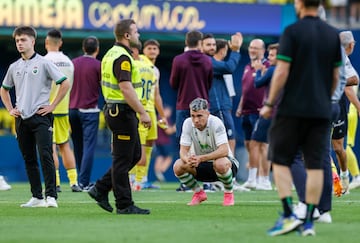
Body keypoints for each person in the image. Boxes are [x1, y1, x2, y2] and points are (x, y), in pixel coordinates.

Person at [260, 0, 342, 236]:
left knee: (280, 159)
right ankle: (308, 222)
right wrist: (324, 98)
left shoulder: (292, 31)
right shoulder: (332, 35)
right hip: (322, 109)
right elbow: (336, 76)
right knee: (316, 164)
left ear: (299, 4)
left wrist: (268, 103)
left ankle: (288, 214)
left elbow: (282, 71)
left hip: (292, 108)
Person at [0, 26, 71, 208]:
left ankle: (51, 196)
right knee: (29, 158)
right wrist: (9, 109)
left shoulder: (44, 63)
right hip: (21, 118)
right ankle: (37, 197)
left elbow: (64, 83)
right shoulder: (14, 67)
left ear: (33, 41)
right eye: (17, 41)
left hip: (41, 116)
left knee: (46, 155)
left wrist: (52, 105)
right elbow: (4, 89)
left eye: (23, 40)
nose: (20, 44)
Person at [87, 19, 151, 215]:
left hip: (118, 111)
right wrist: (142, 112)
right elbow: (125, 87)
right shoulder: (122, 57)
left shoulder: (109, 54)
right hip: (121, 112)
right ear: (127, 36)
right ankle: (124, 204)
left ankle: (100, 188)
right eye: (136, 32)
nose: (139, 35)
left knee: (135, 155)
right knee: (123, 159)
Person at [173, 98, 239, 206]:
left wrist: (201, 158)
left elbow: (224, 150)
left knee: (220, 163)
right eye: (193, 116)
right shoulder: (187, 124)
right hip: (200, 165)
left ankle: (228, 193)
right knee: (178, 166)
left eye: (199, 116)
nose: (196, 120)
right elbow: (183, 151)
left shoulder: (216, 122)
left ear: (207, 114)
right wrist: (188, 160)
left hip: (225, 165)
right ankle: (199, 193)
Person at [169, 30, 213, 192]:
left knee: (184, 144)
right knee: (206, 144)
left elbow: (173, 83)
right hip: (203, 107)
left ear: (186, 42)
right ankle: (208, 181)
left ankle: (186, 181)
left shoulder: (179, 60)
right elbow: (209, 83)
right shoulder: (207, 61)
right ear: (200, 42)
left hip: (184, 106)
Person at [44, 29, 82, 193]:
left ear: (46, 43)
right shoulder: (69, 62)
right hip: (64, 108)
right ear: (60, 43)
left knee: (50, 147)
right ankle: (74, 182)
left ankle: (56, 183)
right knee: (65, 146)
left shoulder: (44, 61)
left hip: (47, 110)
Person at [131, 39, 167, 190]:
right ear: (143, 51)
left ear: (158, 51)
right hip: (140, 109)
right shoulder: (140, 64)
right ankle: (135, 180)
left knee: (149, 143)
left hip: (151, 110)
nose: (152, 51)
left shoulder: (154, 69)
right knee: (140, 146)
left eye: (155, 49)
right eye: (149, 48)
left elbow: (156, 94)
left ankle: (142, 178)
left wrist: (162, 114)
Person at [235, 38, 268, 190]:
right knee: (249, 145)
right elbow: (245, 90)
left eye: (256, 48)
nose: (252, 50)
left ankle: (263, 179)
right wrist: (240, 106)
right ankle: (257, 177)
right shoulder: (247, 67)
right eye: (251, 47)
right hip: (246, 112)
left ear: (263, 50)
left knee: (261, 146)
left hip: (259, 111)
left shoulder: (266, 66)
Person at [70, 36, 101, 191]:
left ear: (83, 48)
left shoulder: (73, 63)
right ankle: (83, 182)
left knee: (77, 145)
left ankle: (79, 180)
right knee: (89, 146)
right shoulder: (98, 65)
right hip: (89, 110)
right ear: (97, 49)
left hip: (72, 109)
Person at [250, 43, 280, 191]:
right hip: (281, 114)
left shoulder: (272, 70)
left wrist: (259, 71)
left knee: (256, 143)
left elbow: (257, 84)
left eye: (272, 55)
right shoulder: (287, 70)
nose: (269, 58)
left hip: (269, 113)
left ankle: (258, 179)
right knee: (268, 145)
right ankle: (264, 179)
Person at [154, 105, 176, 182]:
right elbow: (169, 131)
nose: (169, 113)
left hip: (157, 141)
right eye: (168, 111)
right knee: (169, 157)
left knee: (160, 156)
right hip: (165, 142)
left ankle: (158, 172)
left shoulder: (157, 118)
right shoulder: (163, 119)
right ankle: (161, 170)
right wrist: (175, 127)